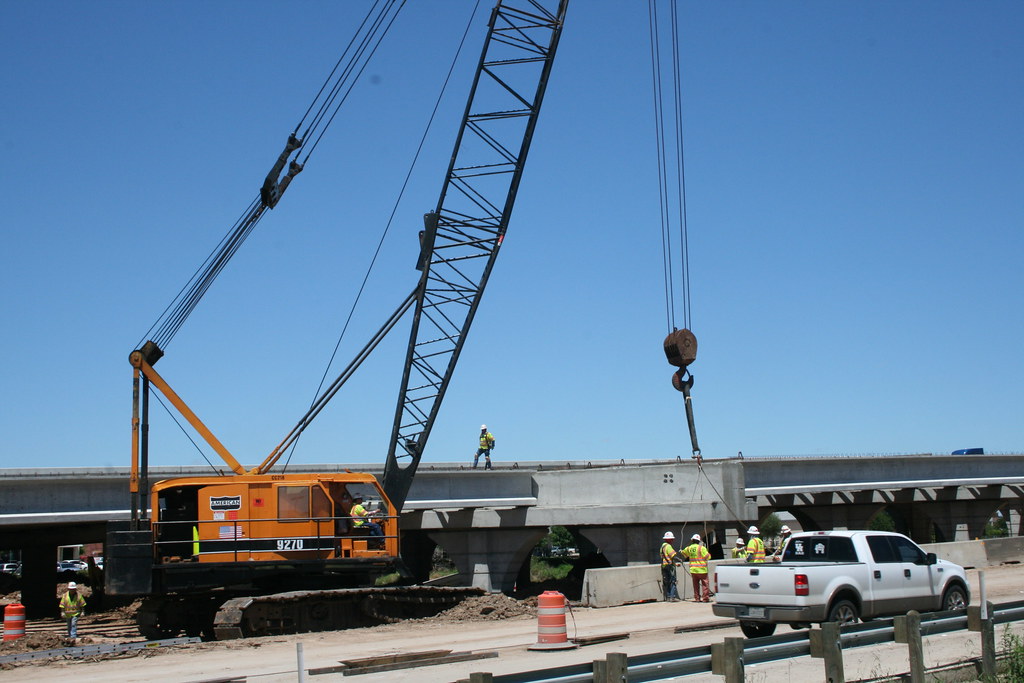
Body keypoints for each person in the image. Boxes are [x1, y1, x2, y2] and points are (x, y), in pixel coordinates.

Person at [681, 534, 712, 602]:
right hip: (702, 570)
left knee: (695, 585)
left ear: (692, 540)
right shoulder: (701, 548)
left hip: (693, 570)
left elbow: (684, 554)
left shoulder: (689, 548)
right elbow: (708, 557)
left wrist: (681, 551)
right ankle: (705, 598)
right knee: (705, 584)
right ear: (699, 541)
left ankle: (697, 598)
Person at [659, 531, 680, 601]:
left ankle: (668, 596)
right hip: (669, 566)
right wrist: (678, 560)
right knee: (672, 581)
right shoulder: (668, 546)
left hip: (664, 566)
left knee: (666, 582)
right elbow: (673, 555)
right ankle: (672, 596)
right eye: (671, 539)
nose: (672, 540)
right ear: (667, 539)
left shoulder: (662, 547)